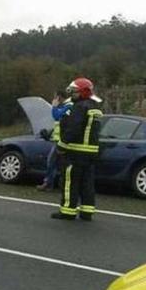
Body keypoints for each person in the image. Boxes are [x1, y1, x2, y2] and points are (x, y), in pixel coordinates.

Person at [51, 78, 103, 221]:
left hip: (75, 152)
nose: (72, 95)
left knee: (70, 182)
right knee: (87, 183)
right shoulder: (95, 107)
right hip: (91, 153)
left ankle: (68, 211)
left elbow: (73, 129)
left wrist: (61, 146)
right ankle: (87, 212)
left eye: (74, 92)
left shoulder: (79, 107)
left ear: (83, 92)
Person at [37, 91, 72, 191]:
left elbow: (57, 116)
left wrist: (54, 106)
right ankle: (52, 183)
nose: (54, 100)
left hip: (62, 141)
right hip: (58, 140)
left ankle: (49, 183)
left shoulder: (68, 106)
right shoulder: (65, 106)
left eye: (55, 98)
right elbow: (59, 124)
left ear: (59, 97)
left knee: (51, 161)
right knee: (57, 163)